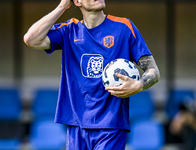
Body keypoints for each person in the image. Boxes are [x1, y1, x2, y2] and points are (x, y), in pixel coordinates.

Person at [24, 0, 160, 149]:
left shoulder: (124, 27)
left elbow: (153, 70)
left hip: (111, 124)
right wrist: (62, 6)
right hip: (76, 124)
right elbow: (31, 39)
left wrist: (138, 85)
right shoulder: (70, 29)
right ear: (77, 1)